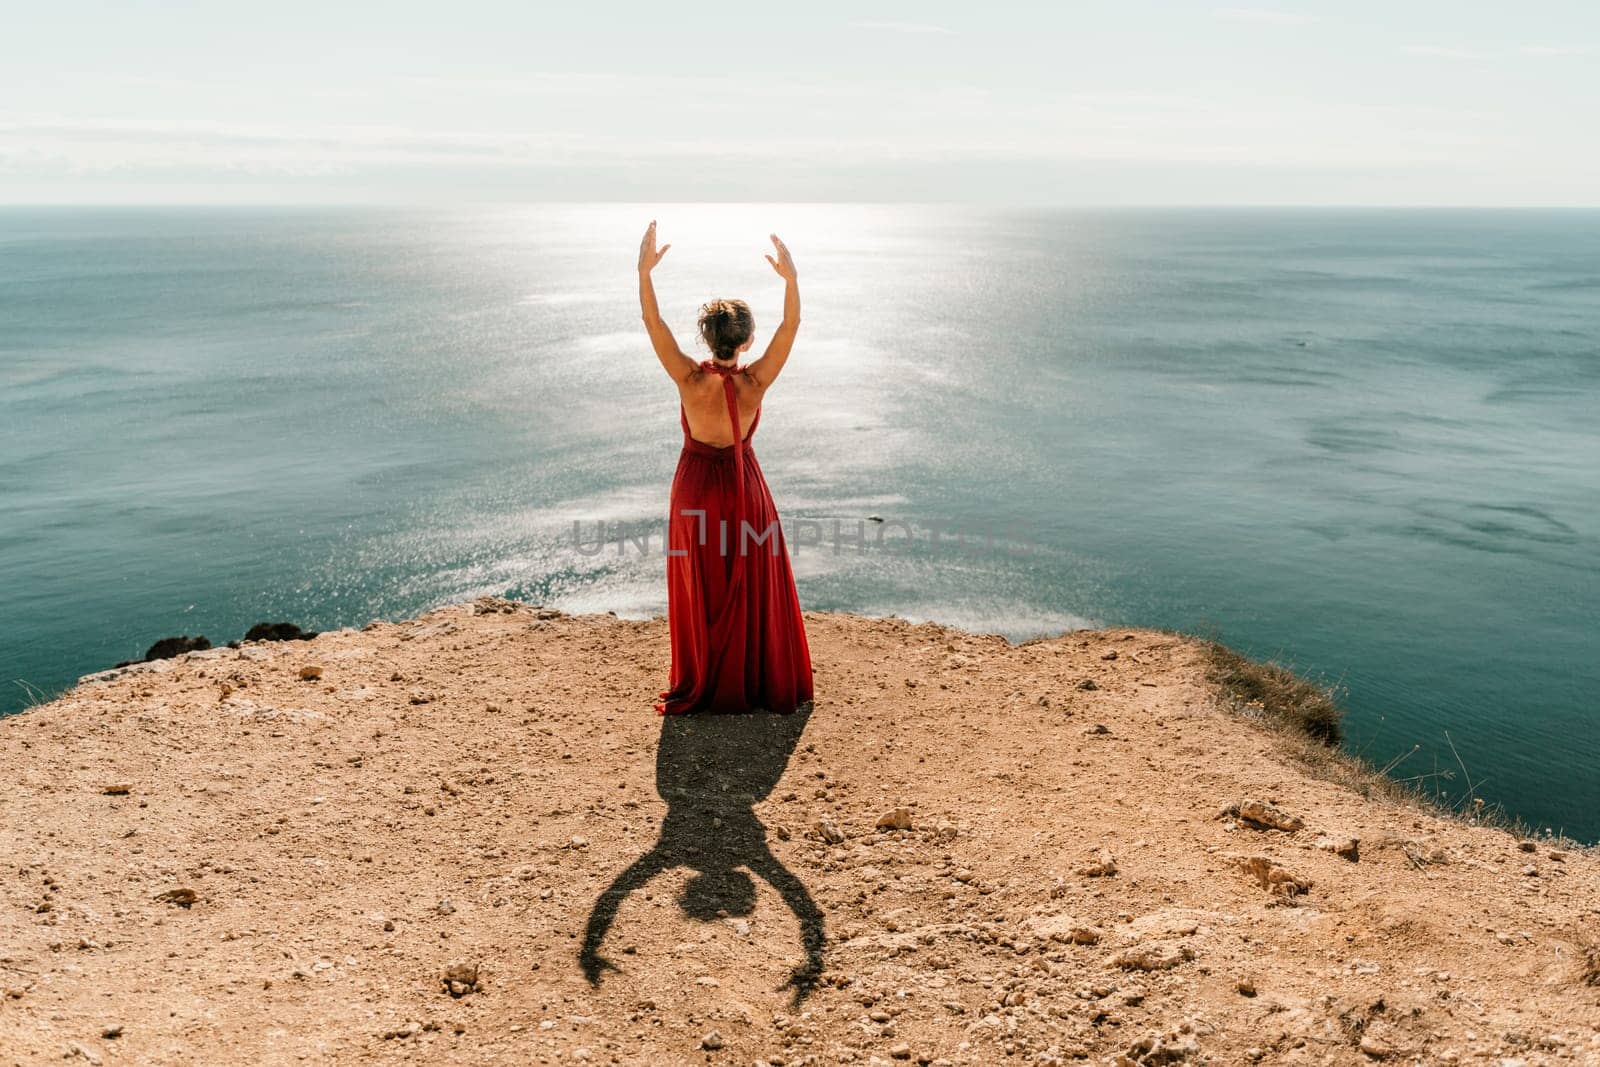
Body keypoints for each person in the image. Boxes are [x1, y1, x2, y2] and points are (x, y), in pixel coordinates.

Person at [637, 220, 813, 715]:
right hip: (742, 487)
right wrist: (791, 281)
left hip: (695, 486)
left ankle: (704, 677)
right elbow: (791, 327)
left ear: (707, 337)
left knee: (700, 582)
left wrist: (644, 273)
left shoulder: (690, 380)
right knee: (751, 577)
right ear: (746, 340)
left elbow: (654, 326)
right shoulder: (754, 383)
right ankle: (751, 679)